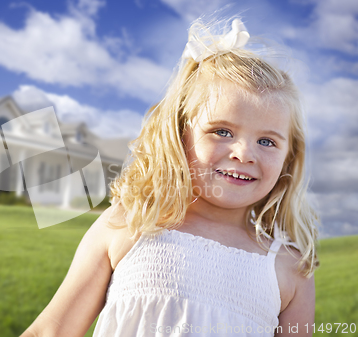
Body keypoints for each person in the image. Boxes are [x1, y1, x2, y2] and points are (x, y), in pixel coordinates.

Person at [21, 17, 319, 337]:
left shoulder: (290, 268)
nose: (244, 153)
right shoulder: (130, 223)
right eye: (222, 131)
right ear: (180, 135)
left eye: (267, 141)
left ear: (290, 155)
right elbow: (51, 331)